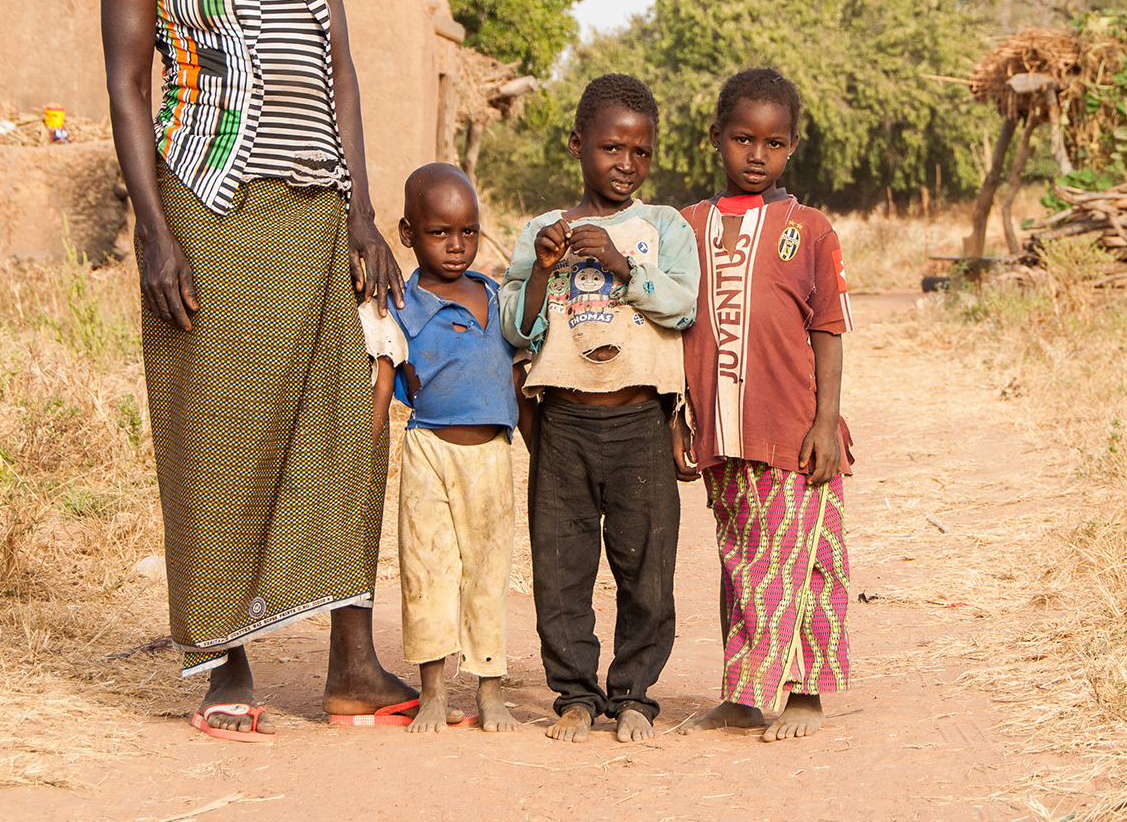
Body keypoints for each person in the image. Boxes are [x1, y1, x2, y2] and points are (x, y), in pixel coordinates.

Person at [101, 0, 437, 742]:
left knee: (349, 425)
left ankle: (350, 666)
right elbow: (125, 85)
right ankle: (224, 661)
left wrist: (363, 212)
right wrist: (154, 236)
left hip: (317, 207)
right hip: (208, 208)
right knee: (220, 434)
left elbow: (338, 69)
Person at [498, 74, 701, 744]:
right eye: (613, 148)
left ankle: (636, 695)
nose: (627, 164)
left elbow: (681, 305)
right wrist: (540, 269)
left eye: (641, 152)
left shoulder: (663, 227)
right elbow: (513, 328)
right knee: (561, 568)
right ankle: (575, 695)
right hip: (564, 425)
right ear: (578, 144)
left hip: (641, 420)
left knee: (647, 570)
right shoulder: (541, 231)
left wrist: (620, 264)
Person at [674, 68, 854, 743]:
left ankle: (802, 693)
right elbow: (670, 328)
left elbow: (828, 330)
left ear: (792, 147)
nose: (757, 154)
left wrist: (824, 422)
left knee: (806, 557)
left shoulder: (809, 229)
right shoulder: (685, 227)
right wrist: (677, 418)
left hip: (796, 428)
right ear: (714, 138)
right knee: (742, 561)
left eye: (774, 143)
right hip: (721, 428)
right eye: (743, 139)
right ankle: (746, 695)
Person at [354, 164, 528, 733]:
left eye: (469, 232)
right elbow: (383, 371)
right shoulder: (400, 302)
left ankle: (490, 691)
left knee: (487, 570)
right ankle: (432, 691)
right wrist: (370, 436)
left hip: (492, 459)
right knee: (426, 568)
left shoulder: (496, 298)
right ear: (407, 234)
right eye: (439, 233)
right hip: (428, 451)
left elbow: (521, 381)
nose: (457, 246)